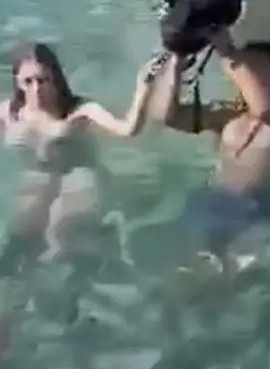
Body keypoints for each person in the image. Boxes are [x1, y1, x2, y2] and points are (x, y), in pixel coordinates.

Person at [0, 43, 164, 256]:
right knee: (20, 232)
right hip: (36, 177)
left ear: (55, 78)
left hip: (78, 176)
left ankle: (105, 244)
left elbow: (128, 129)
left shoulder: (79, 110)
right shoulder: (10, 111)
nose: (36, 88)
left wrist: (143, 88)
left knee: (58, 238)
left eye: (43, 80)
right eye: (28, 82)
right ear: (17, 82)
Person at [173, 41, 270, 271]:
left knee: (241, 272)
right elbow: (170, 116)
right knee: (192, 266)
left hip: (269, 207)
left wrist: (226, 52)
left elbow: (262, 110)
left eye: (257, 70)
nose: (249, 76)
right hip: (220, 200)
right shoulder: (224, 116)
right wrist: (176, 62)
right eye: (247, 69)